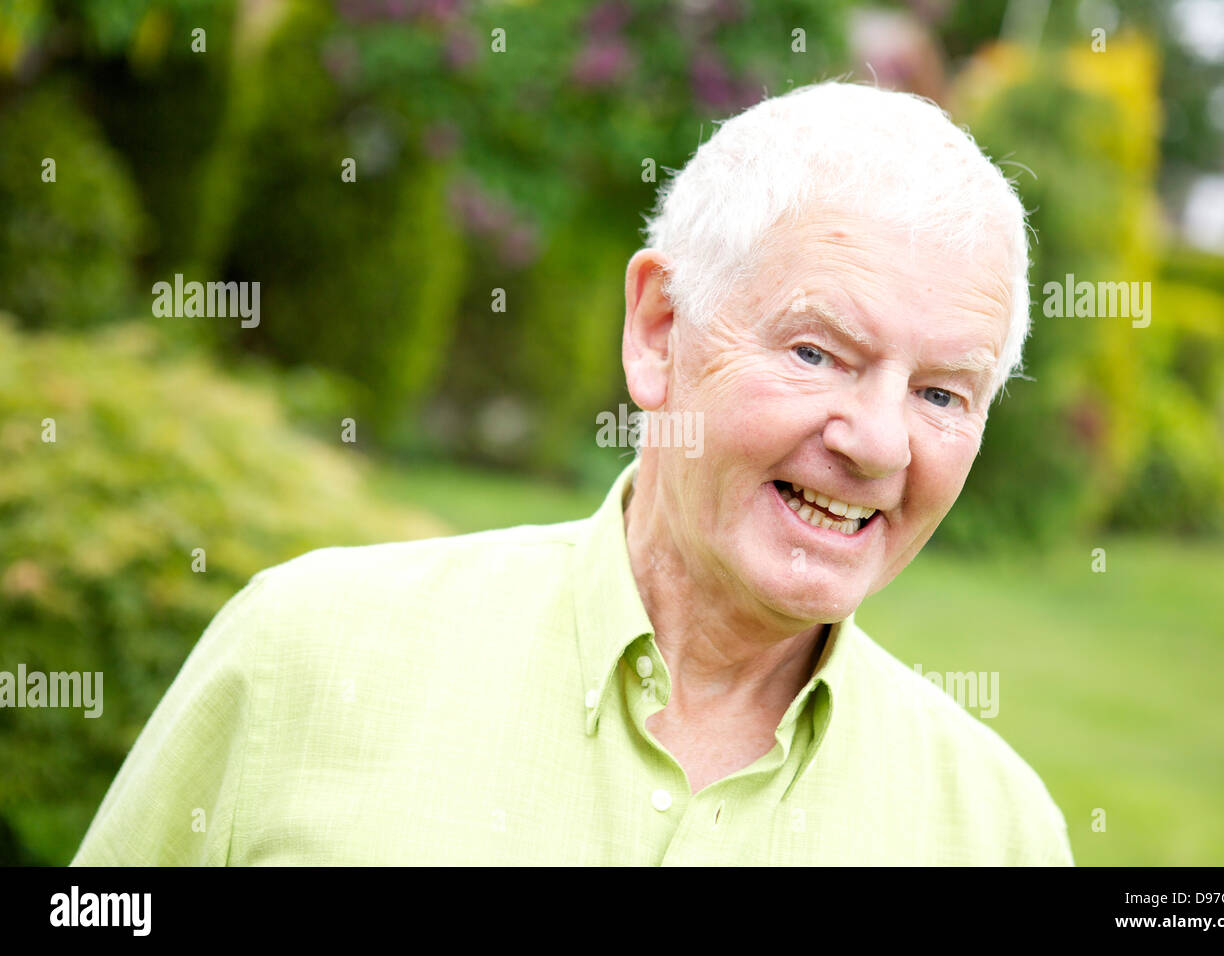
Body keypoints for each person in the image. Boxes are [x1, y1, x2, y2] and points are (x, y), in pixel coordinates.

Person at [72, 80, 1072, 865]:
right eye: (817, 353)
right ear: (659, 331)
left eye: (942, 393)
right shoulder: (302, 652)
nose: (881, 442)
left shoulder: (1002, 835)